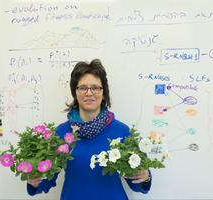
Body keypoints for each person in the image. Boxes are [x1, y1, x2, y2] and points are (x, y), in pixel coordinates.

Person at [27, 59, 151, 200]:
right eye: (83, 87)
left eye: (95, 87)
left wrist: (145, 176)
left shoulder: (121, 131)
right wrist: (34, 180)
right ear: (75, 92)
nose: (89, 93)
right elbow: (45, 182)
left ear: (104, 93)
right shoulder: (61, 133)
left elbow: (137, 184)